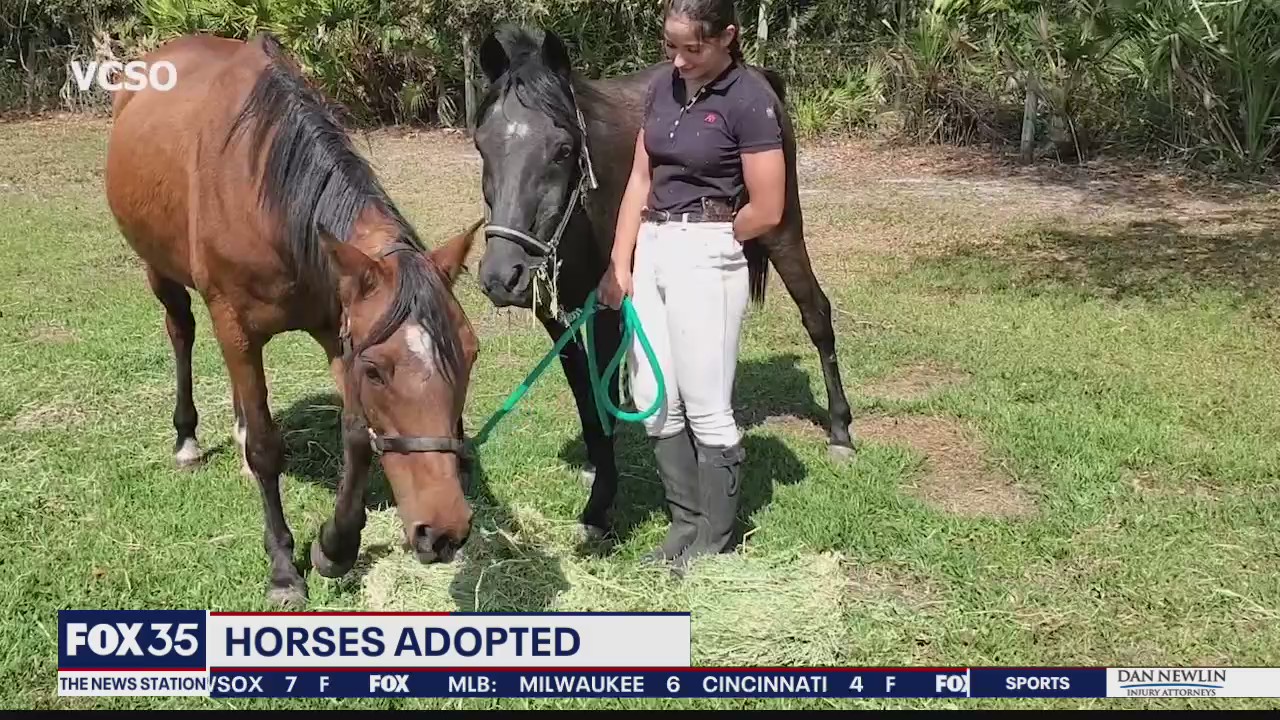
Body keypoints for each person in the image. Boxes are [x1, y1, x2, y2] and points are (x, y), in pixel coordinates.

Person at [598, 0, 787, 571]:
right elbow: (639, 177)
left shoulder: (750, 100)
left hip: (707, 251)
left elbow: (769, 207)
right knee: (653, 400)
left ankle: (716, 539)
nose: (678, 60)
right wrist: (620, 260)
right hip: (651, 245)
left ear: (728, 37)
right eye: (670, 46)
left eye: (692, 49)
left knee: (707, 405)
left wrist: (724, 233)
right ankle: (685, 524)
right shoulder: (662, 88)